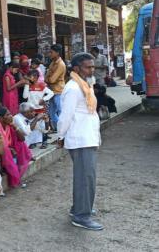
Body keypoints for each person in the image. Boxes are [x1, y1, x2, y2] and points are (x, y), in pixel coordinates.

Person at [57, 52, 103, 231]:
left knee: (85, 177)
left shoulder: (84, 84)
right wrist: (60, 136)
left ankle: (79, 208)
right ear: (76, 68)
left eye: (93, 66)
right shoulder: (73, 88)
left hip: (87, 138)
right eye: (88, 67)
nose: (92, 69)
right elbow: (65, 116)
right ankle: (81, 216)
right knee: (86, 178)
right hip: (81, 139)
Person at [0, 107, 32, 188]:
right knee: (7, 150)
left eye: (10, 114)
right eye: (8, 115)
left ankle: (19, 166)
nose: (11, 116)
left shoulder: (8, 126)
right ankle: (13, 173)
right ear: (1, 118)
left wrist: (14, 126)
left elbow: (22, 139)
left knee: (20, 144)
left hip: (9, 151)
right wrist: (9, 149)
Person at [45, 44, 66, 131]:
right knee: (51, 112)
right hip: (52, 91)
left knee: (60, 111)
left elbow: (52, 79)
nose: (50, 54)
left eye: (51, 52)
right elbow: (47, 77)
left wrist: (48, 78)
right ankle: (60, 128)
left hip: (58, 91)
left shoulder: (61, 64)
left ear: (57, 53)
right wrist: (48, 78)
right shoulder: (53, 62)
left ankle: (63, 128)